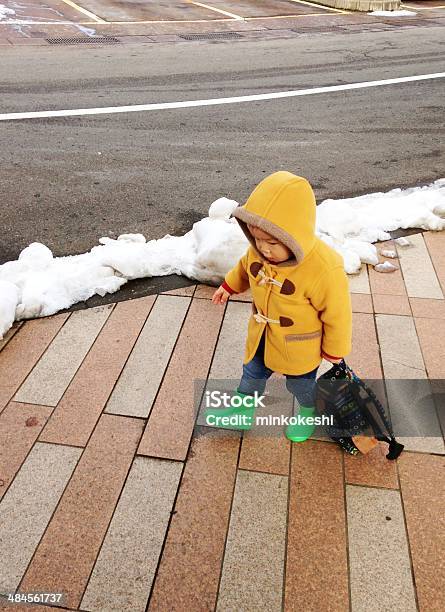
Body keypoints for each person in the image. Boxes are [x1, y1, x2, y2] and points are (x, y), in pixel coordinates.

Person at [209, 170, 352, 442]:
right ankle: (243, 411)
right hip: (263, 333)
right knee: (251, 373)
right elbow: (245, 267)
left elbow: (338, 313)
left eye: (272, 242)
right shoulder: (259, 251)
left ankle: (308, 411)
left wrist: (335, 349)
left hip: (299, 344)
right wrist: (229, 286)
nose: (263, 249)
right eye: (256, 239)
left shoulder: (323, 267)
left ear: (293, 236)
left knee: (300, 384)